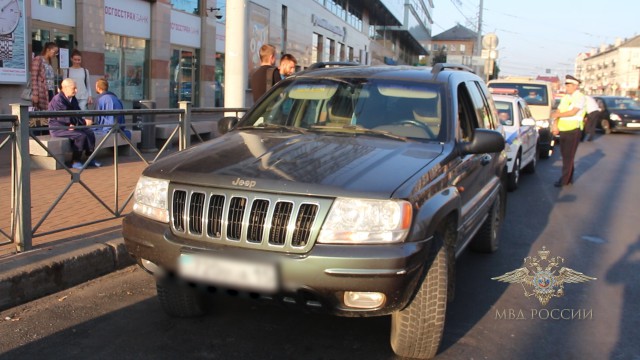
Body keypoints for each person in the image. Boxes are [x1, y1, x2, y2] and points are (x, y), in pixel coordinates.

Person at [48, 78, 100, 169]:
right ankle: (75, 161)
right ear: (65, 88)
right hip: (58, 128)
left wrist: (77, 123)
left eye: (76, 88)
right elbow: (63, 117)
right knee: (80, 135)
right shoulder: (58, 99)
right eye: (74, 88)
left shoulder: (73, 98)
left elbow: (77, 112)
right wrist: (82, 122)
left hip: (69, 125)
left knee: (90, 132)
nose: (76, 90)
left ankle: (90, 157)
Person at [551, 75, 585, 187]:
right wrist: (555, 125)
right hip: (563, 129)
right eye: (566, 85)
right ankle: (568, 177)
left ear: (575, 86)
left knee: (569, 156)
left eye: (569, 85)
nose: (567, 87)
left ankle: (565, 180)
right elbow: (558, 111)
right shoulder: (565, 98)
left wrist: (558, 114)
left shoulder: (580, 97)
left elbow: (573, 112)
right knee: (565, 155)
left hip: (574, 129)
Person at [30, 42, 59, 111]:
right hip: (41, 91)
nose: (55, 54)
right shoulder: (38, 59)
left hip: (50, 90)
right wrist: (35, 94)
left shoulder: (49, 61)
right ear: (48, 50)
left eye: (56, 53)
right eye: (54, 52)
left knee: (50, 111)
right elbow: (34, 77)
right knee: (43, 112)